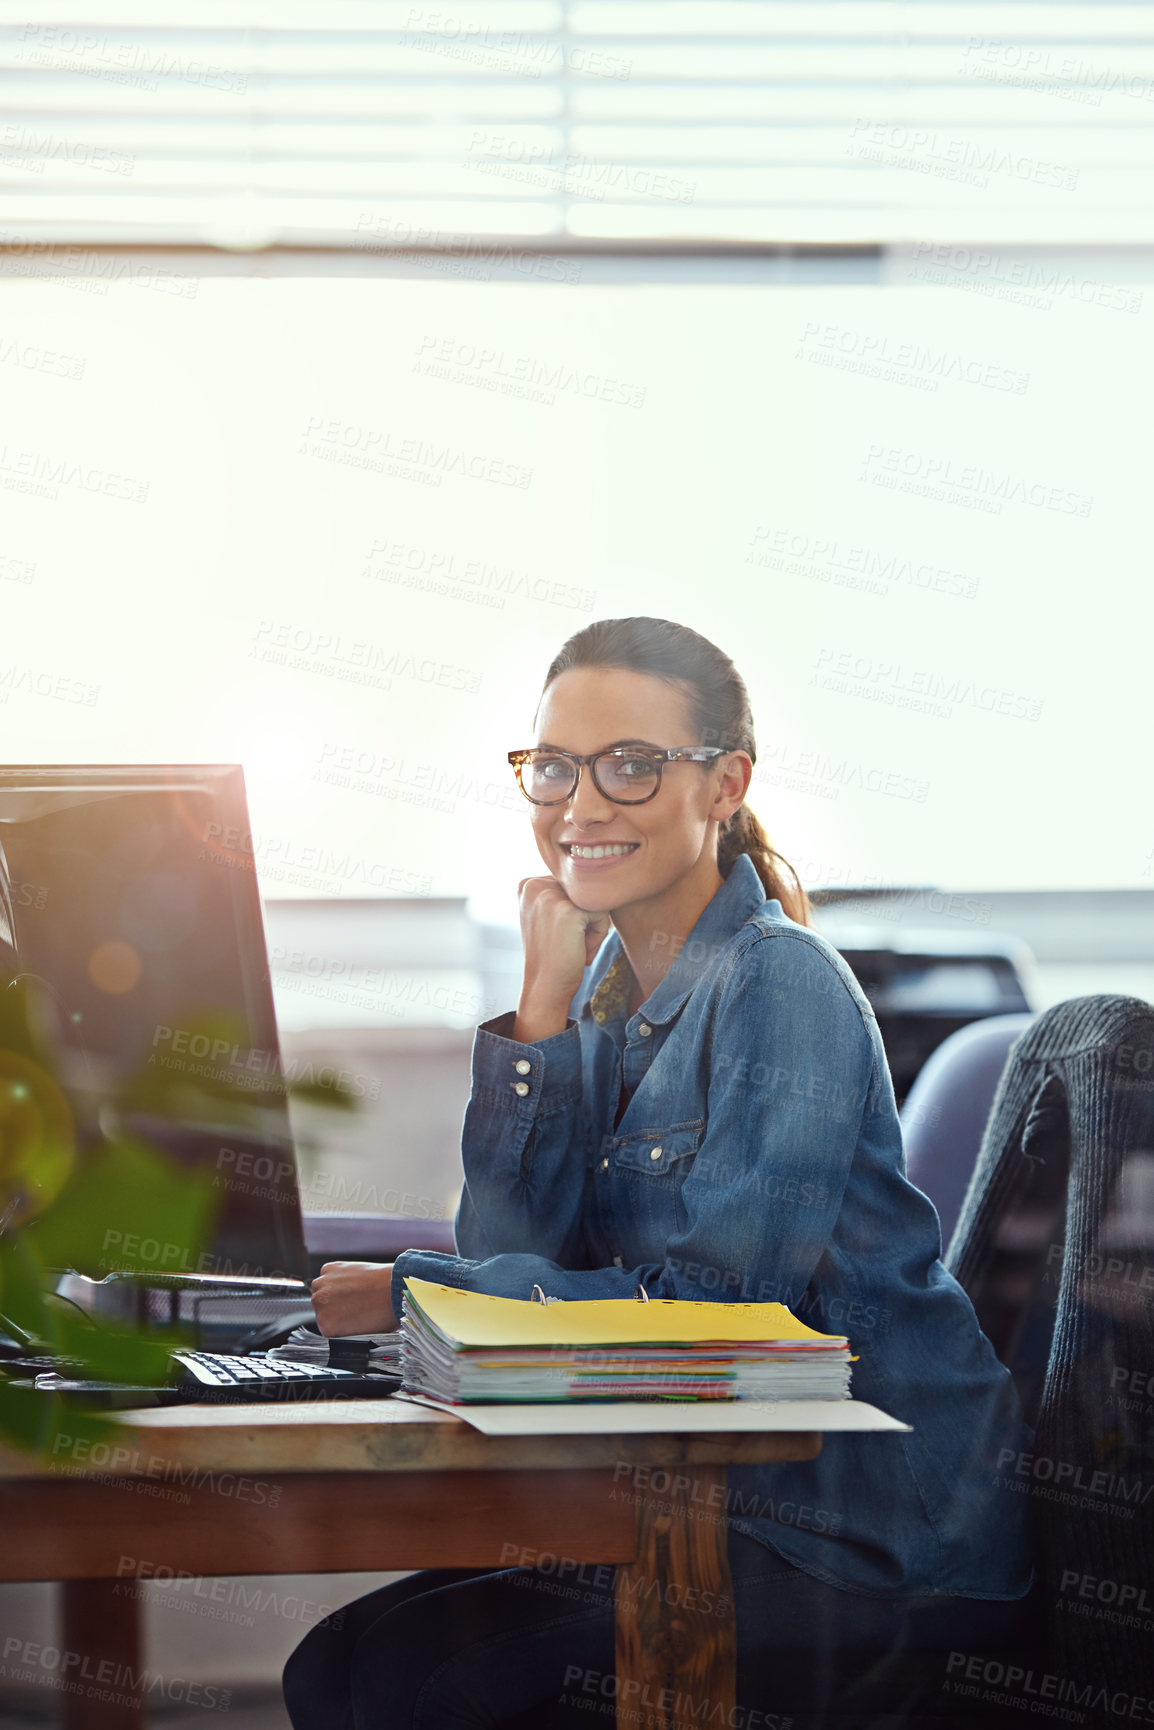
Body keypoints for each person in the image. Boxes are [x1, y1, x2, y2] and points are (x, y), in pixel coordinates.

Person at [284, 616, 1034, 1729]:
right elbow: (508, 1256)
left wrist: (416, 1290)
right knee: (339, 1665)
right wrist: (535, 1025)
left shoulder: (777, 985)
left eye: (631, 764)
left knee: (419, 1683)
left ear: (723, 783)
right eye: (553, 765)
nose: (579, 804)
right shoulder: (597, 991)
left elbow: (722, 1318)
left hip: (878, 1547)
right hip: (708, 1508)